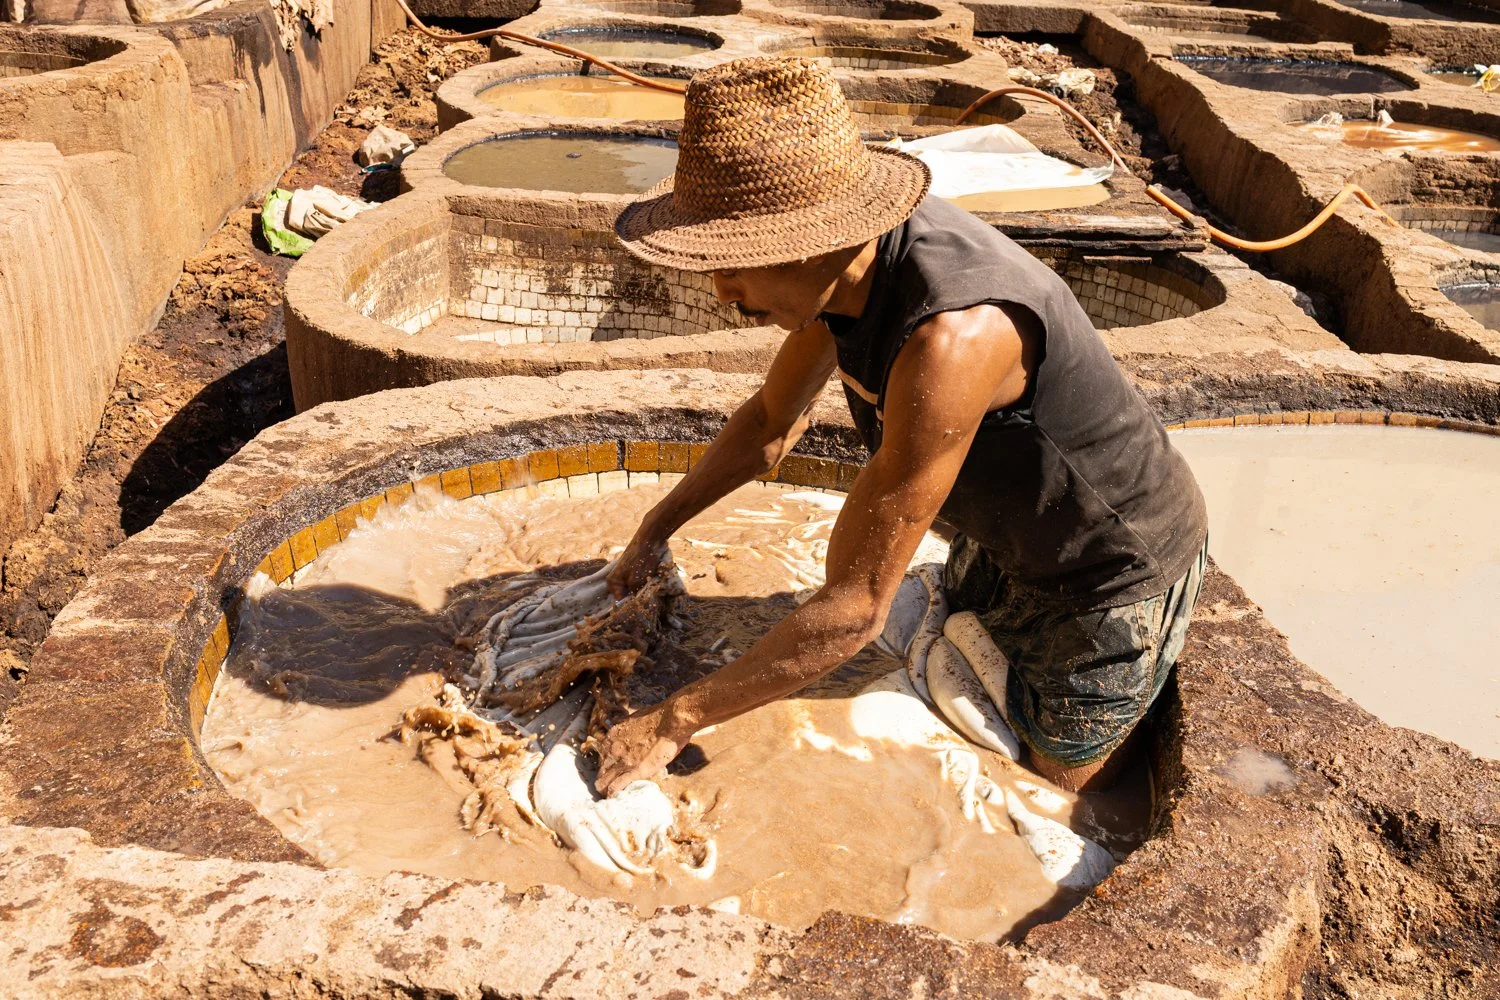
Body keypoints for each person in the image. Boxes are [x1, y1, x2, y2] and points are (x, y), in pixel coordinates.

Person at [594, 56, 1208, 798]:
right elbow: (768, 424)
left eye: (736, 264)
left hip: (1106, 565)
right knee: (948, 634)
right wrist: (653, 531)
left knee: (1063, 788)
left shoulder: (955, 336)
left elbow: (854, 611)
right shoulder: (843, 279)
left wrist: (674, 720)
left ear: (816, 240)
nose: (721, 290)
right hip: (1005, 531)